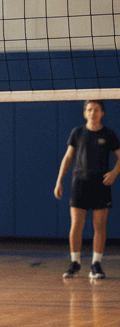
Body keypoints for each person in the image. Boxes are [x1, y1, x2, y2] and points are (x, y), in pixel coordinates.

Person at [54, 100, 120, 279]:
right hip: (79, 183)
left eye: (96, 110)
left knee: (99, 226)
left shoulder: (108, 134)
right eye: (89, 109)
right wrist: (59, 180)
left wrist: (114, 173)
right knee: (76, 225)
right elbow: (68, 157)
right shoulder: (78, 132)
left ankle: (96, 264)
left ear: (102, 113)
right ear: (85, 113)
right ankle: (75, 263)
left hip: (101, 185)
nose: (93, 113)